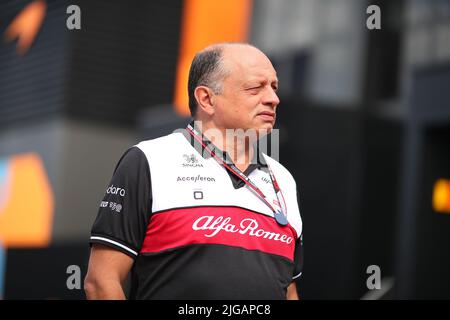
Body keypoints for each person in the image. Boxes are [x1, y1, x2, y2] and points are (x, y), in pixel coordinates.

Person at [84, 43, 303, 300]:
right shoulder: (149, 160)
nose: (273, 99)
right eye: (256, 87)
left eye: (274, 87)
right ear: (207, 99)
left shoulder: (283, 179)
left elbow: (288, 290)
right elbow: (101, 282)